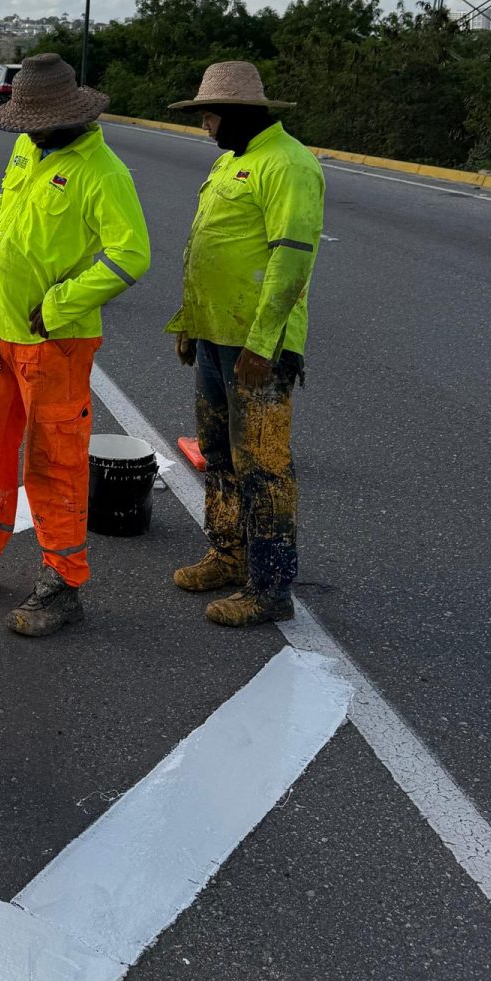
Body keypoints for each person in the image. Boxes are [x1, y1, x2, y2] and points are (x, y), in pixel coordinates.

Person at [0, 53, 150, 636]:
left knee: (54, 458)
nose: (27, 131)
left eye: (35, 122)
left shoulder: (102, 171)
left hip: (54, 339)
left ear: (67, 115)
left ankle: (62, 582)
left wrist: (62, 303)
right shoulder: (28, 150)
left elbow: (130, 255)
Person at [163, 61, 324, 627]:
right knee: (220, 454)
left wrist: (264, 345)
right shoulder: (234, 162)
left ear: (236, 114)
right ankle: (229, 555)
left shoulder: (288, 164)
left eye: (209, 114)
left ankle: (271, 585)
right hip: (214, 334)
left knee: (264, 464)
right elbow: (207, 250)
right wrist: (190, 322)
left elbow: (291, 259)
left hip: (256, 346)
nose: (206, 126)